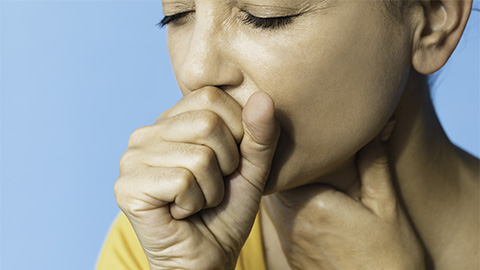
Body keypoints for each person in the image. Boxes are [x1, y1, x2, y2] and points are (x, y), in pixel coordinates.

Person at [97, 0, 479, 269]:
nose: (196, 70)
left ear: (432, 19)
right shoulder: (159, 244)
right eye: (178, 14)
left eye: (265, 15)